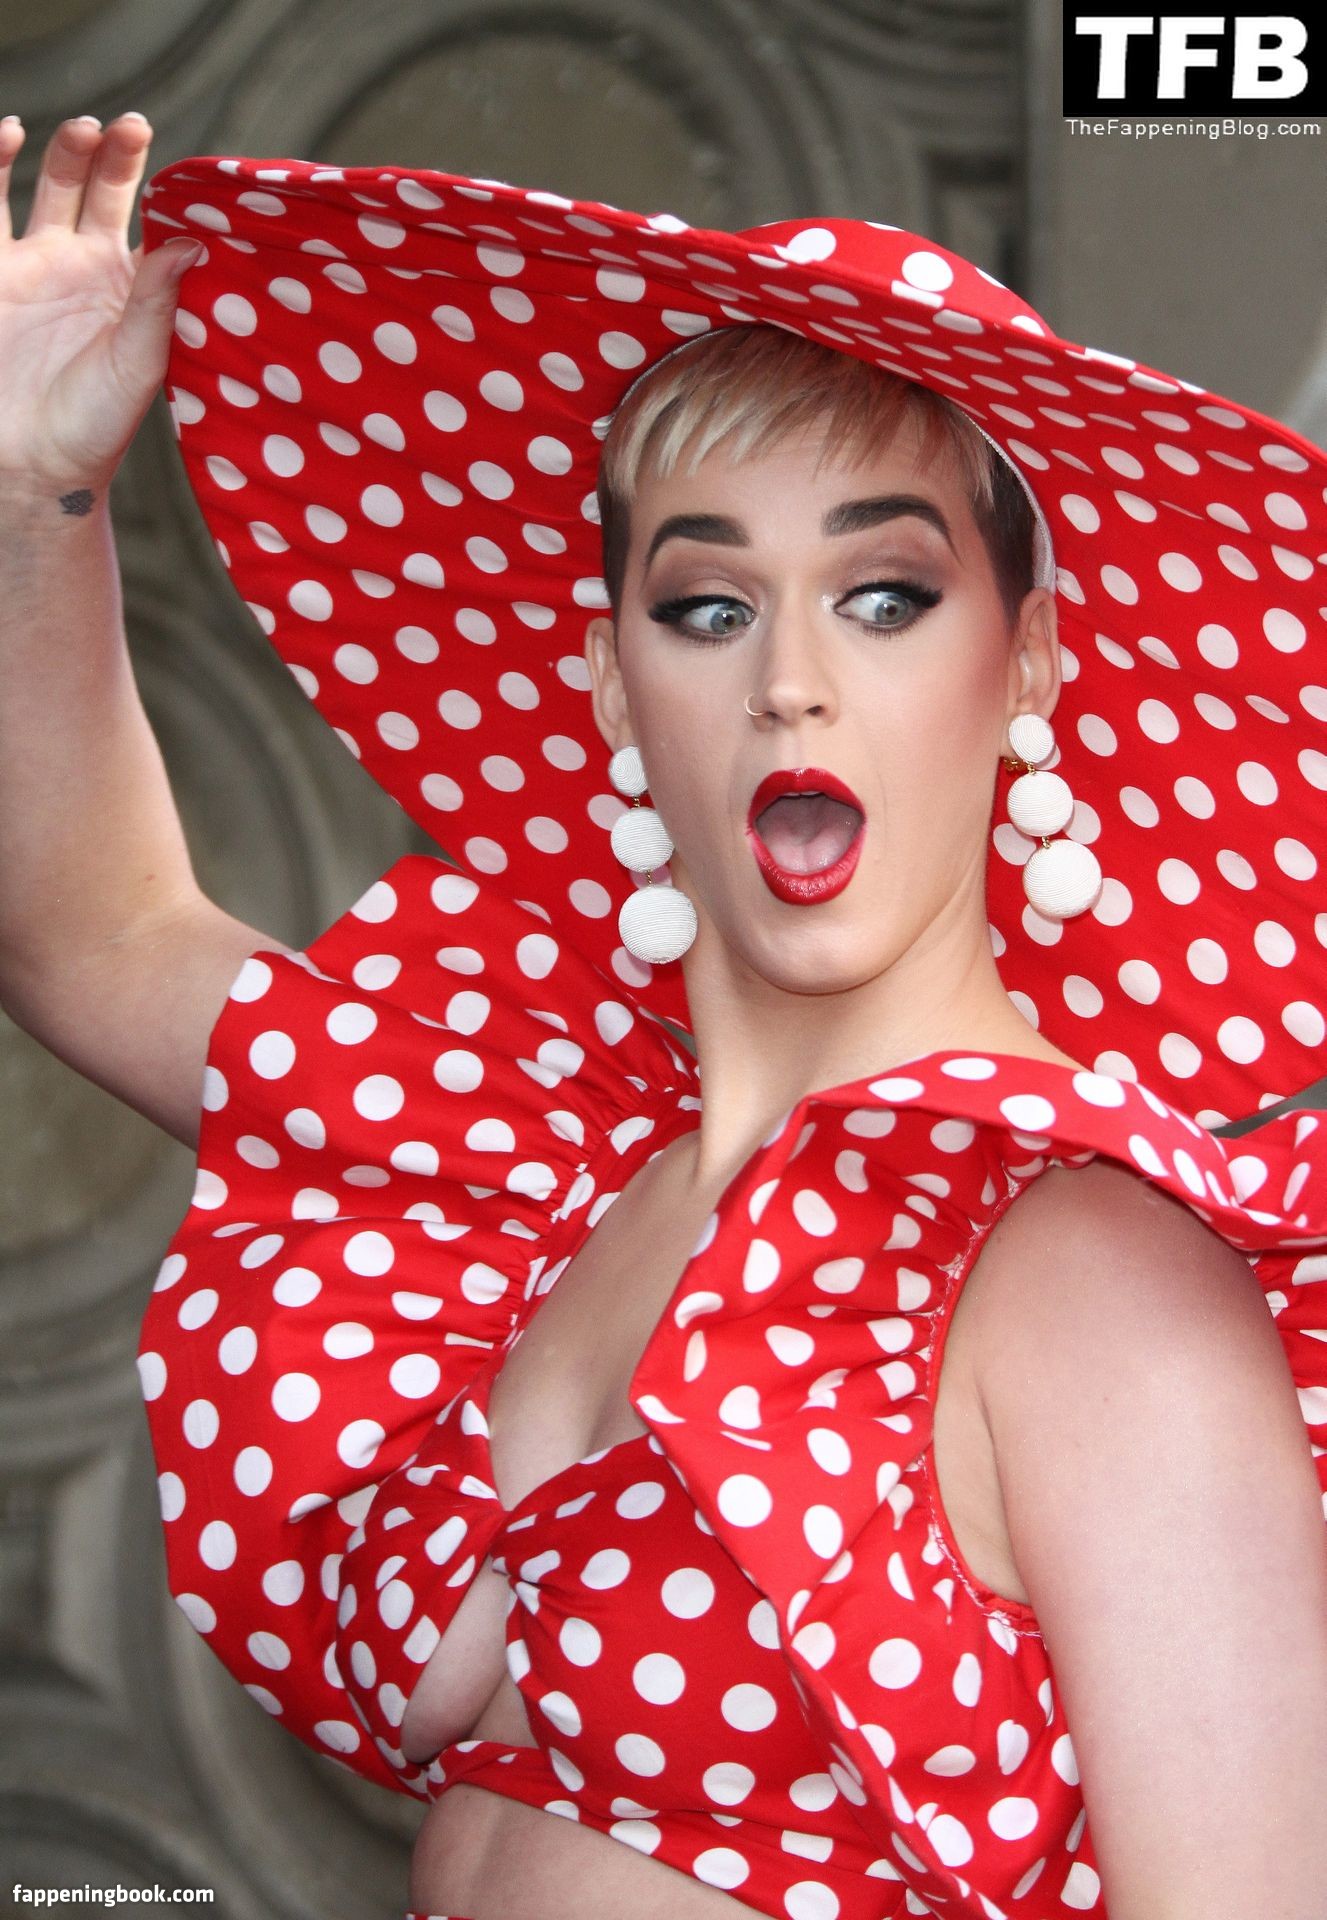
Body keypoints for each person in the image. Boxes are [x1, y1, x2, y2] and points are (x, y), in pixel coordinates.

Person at [2, 110, 1326, 1920]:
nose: (791, 684)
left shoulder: (1088, 1268)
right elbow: (88, 937)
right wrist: (32, 491)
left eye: (885, 596)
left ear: (1022, 661)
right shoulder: (539, 1167)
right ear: (616, 685)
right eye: (706, 606)